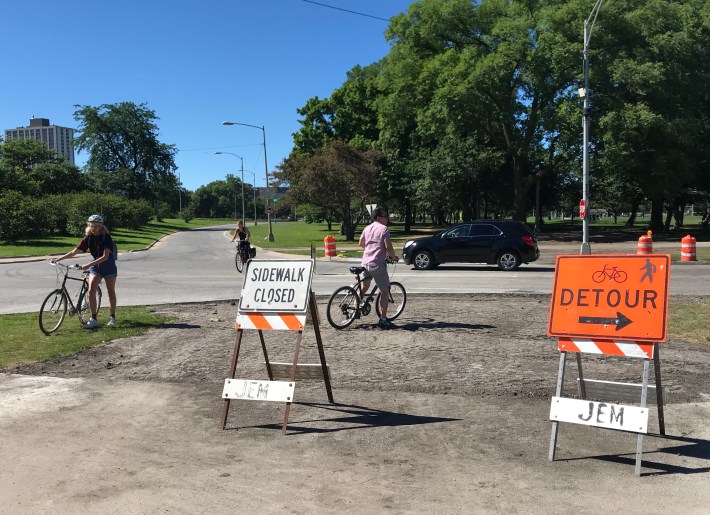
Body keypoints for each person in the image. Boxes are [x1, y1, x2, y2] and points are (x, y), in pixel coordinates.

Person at [51, 214, 118, 329]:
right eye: (92, 225)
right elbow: (74, 252)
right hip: (95, 267)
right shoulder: (88, 237)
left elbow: (105, 256)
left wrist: (88, 265)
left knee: (110, 291)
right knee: (91, 291)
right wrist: (58, 259)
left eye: (97, 226)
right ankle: (94, 319)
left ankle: (112, 317)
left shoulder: (106, 237)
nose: (94, 228)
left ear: (101, 226)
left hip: (108, 266)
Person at [359, 207, 399, 329]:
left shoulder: (367, 228)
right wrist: (393, 257)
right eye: (385, 216)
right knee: (385, 291)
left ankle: (355, 307)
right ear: (378, 218)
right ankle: (383, 318)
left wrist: (370, 250)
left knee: (364, 286)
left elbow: (361, 243)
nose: (387, 219)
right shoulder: (384, 229)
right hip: (377, 264)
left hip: (365, 263)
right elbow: (389, 247)